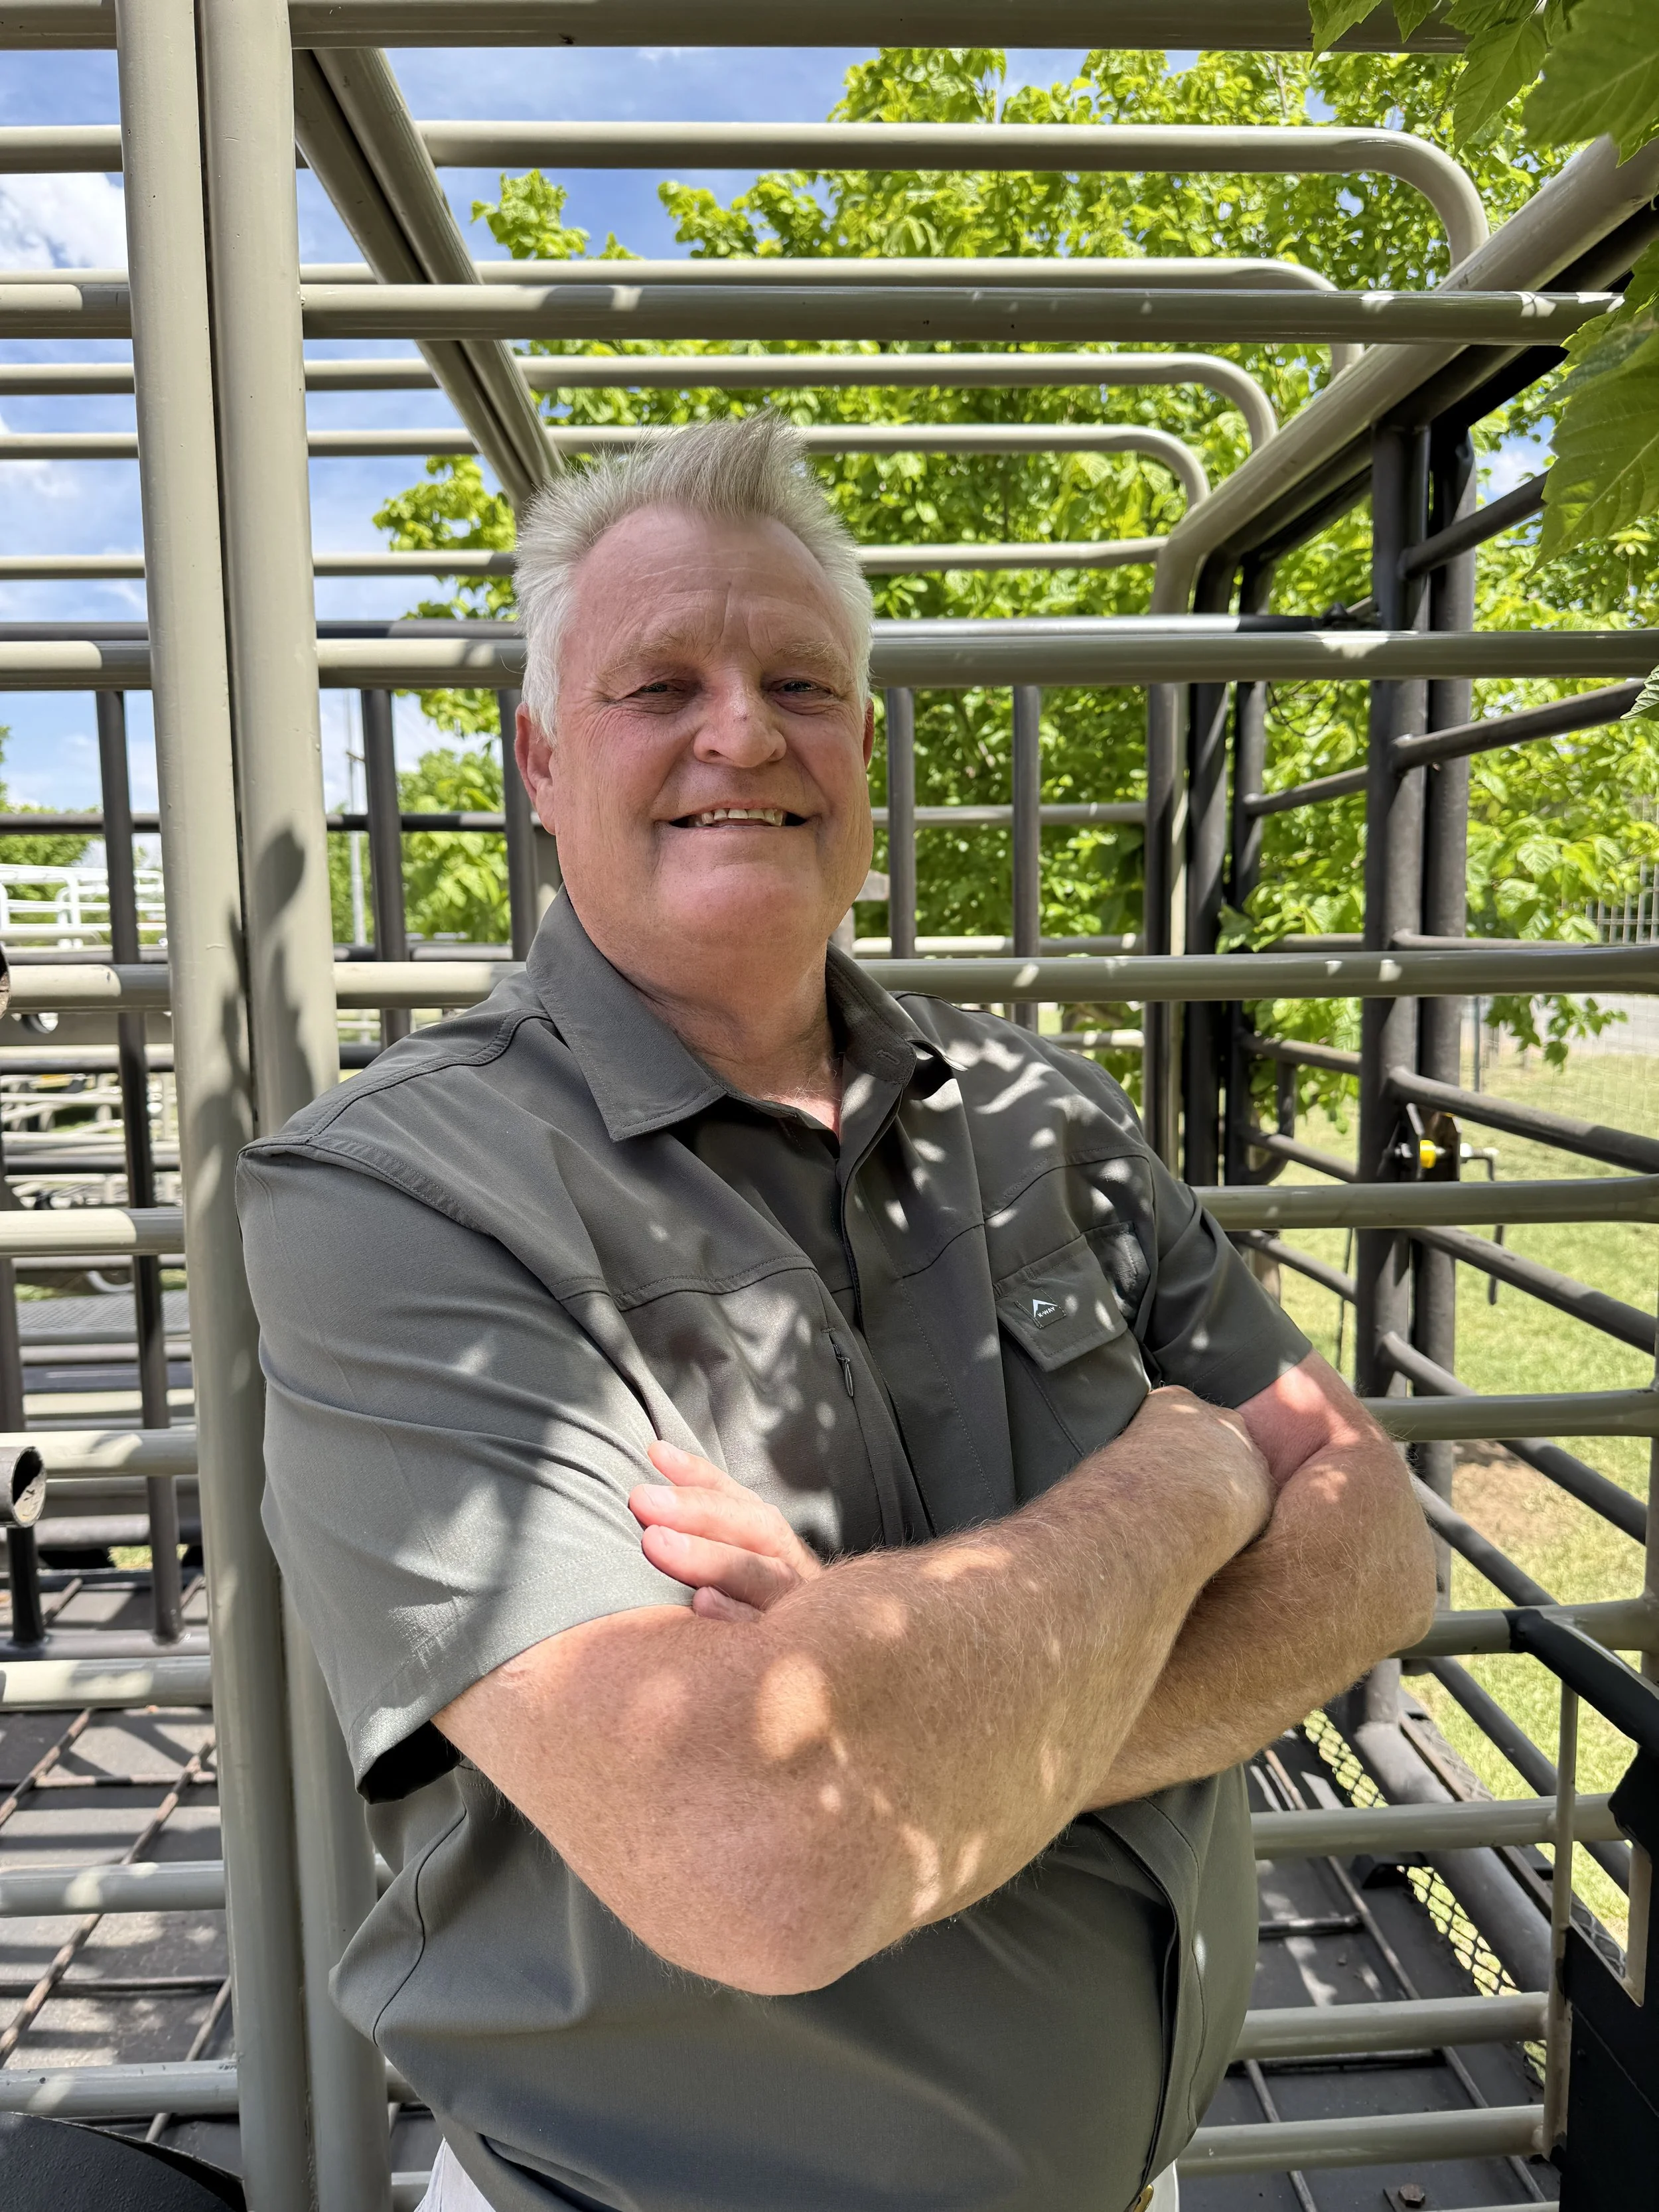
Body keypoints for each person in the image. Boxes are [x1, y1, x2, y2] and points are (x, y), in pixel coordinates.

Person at [239, 412, 1435, 2212]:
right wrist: (1182, 1491)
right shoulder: (397, 1197)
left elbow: (1376, 1550)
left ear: (864, 755)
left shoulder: (1043, 1113)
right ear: (542, 761)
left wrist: (905, 1716)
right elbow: (759, 1855)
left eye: (799, 679)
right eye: (660, 683)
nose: (742, 729)